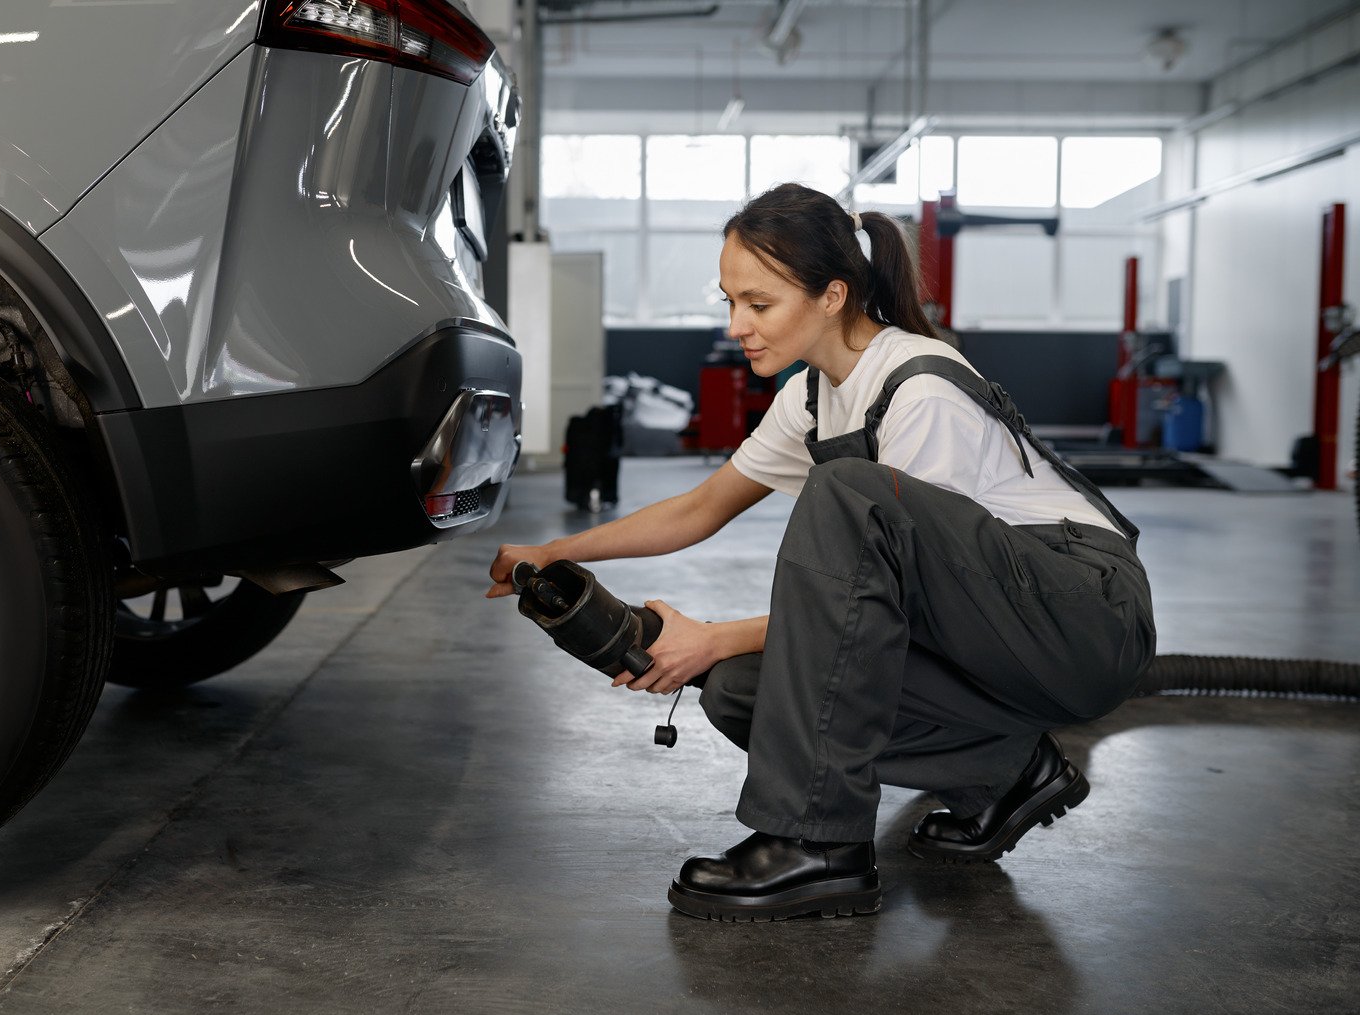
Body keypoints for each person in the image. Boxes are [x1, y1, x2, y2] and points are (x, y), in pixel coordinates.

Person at [487, 183, 1156, 923]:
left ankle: (819, 847)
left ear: (832, 295)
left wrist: (706, 638)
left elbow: (884, 607)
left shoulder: (919, 388)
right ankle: (1007, 772)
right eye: (729, 302)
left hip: (1082, 616)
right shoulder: (813, 394)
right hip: (1000, 631)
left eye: (760, 303)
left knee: (846, 496)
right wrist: (556, 549)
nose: (739, 324)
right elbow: (700, 507)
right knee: (746, 686)